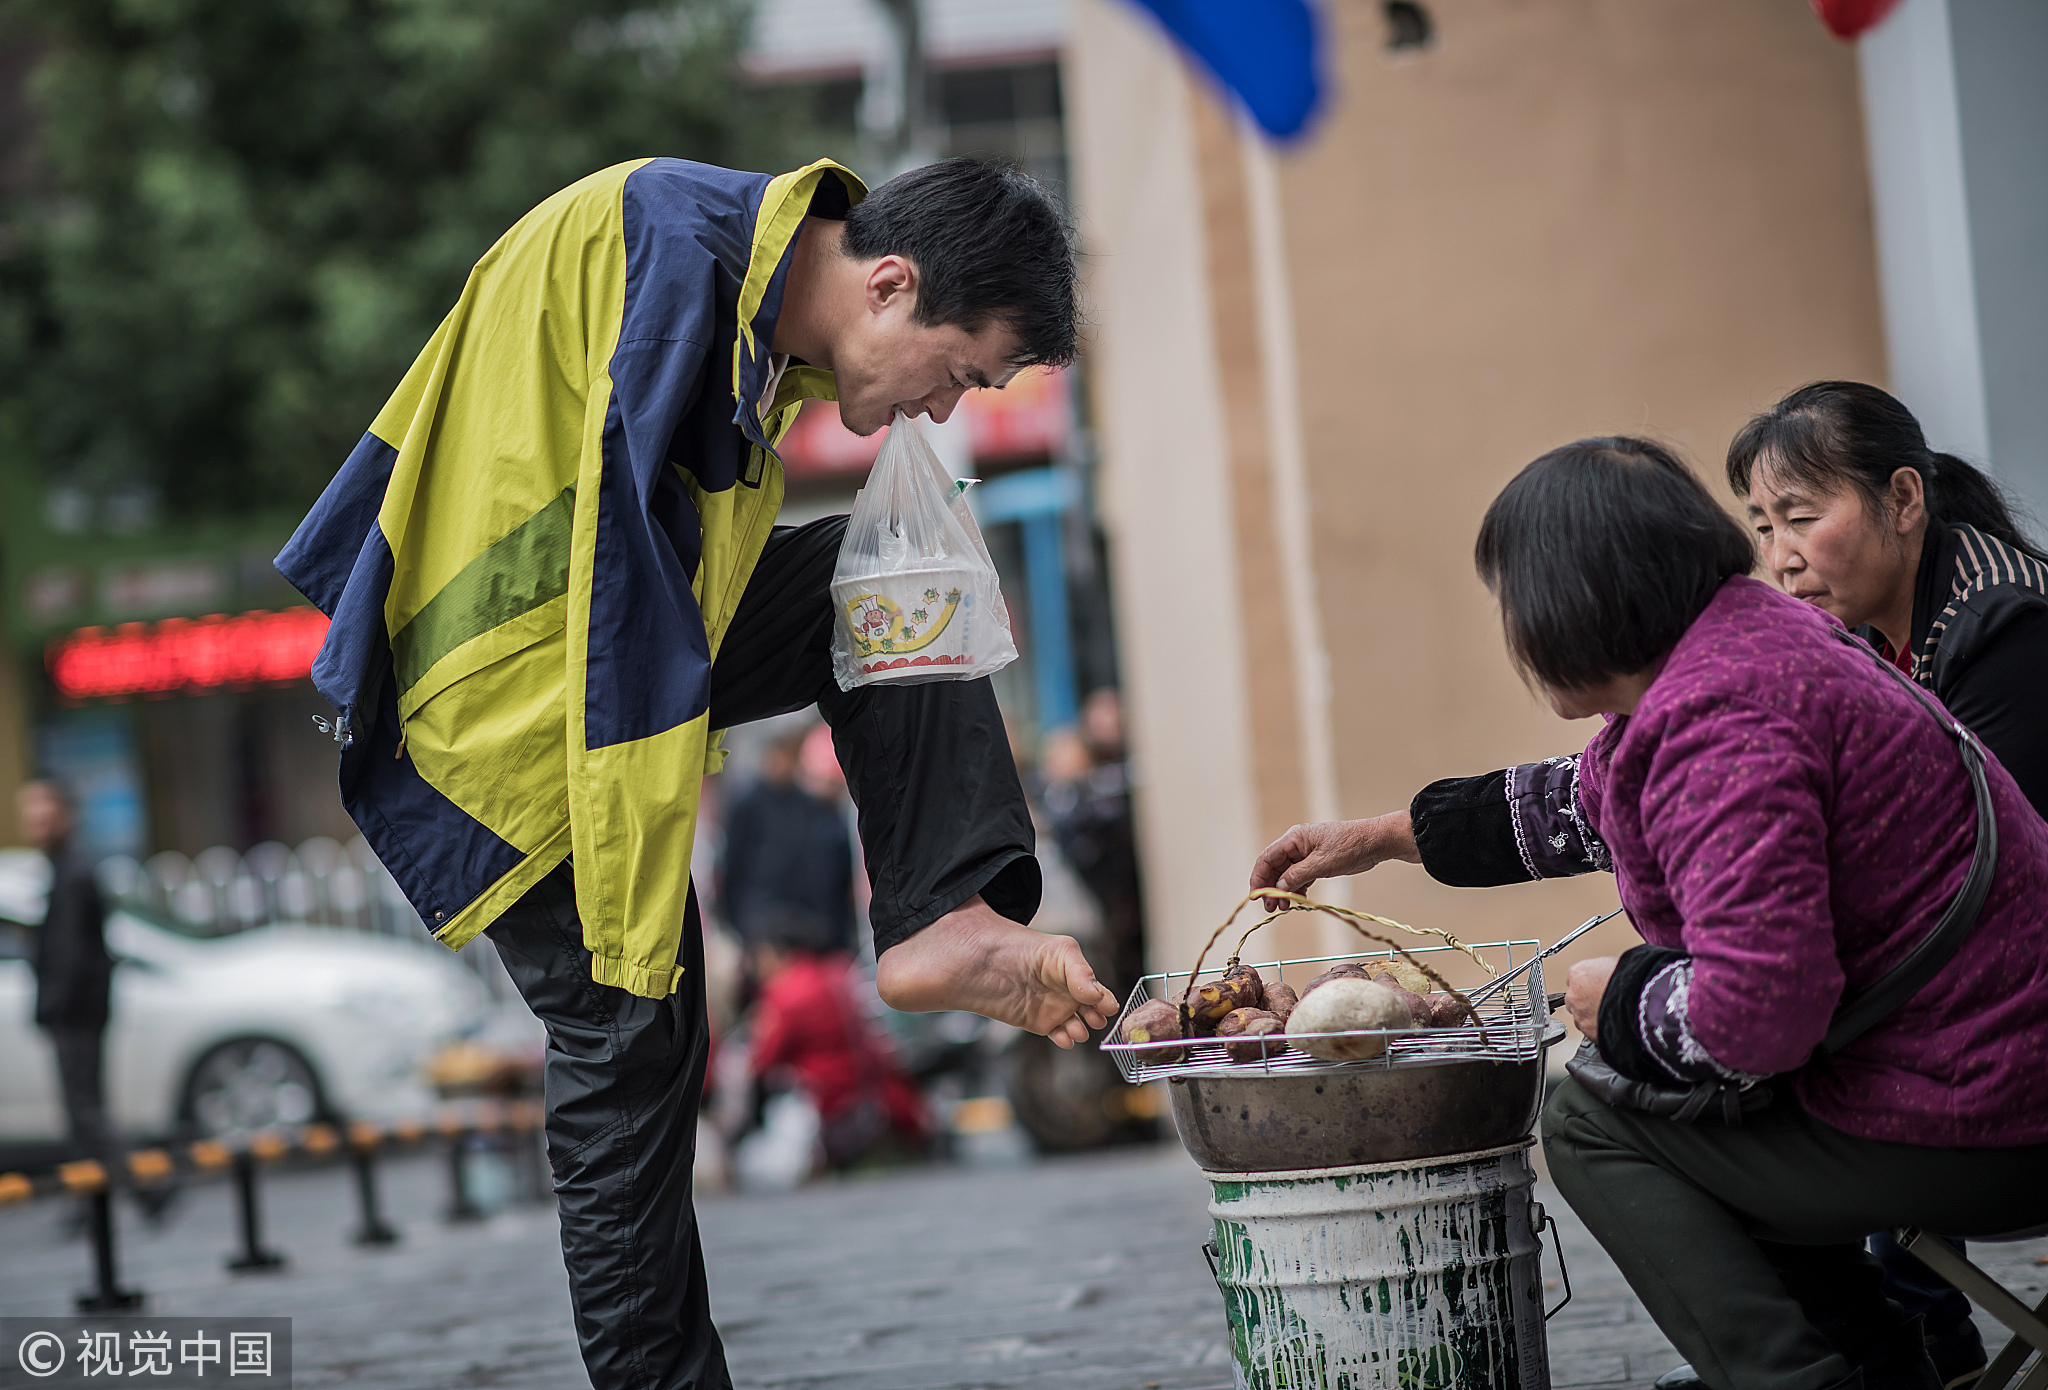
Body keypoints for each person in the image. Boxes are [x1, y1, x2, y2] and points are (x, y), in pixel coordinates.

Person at [276, 155, 1117, 1390]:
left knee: (886, 578)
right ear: (890, 283)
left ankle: (942, 916)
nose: (944, 410)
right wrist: (642, 914)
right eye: (959, 372)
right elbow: (617, 606)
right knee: (631, 1036)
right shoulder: (674, 255)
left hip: (589, 663)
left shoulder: (750, 307)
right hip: (514, 715)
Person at [1249, 438, 2048, 1390]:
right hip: (1977, 1064)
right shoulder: (1736, 648)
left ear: (1571, 600)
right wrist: (1379, 838)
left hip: (1990, 1106)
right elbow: (1572, 805)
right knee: (1679, 1107)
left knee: (1595, 1116)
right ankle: (1879, 1367)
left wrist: (1620, 998)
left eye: (1512, 603)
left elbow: (1760, 1018)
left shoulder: (1726, 719)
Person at [1701, 383, 2048, 1390]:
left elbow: (1978, 892)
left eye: (1802, 517)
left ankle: (1898, 1352)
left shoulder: (2005, 632)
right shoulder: (1861, 636)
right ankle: (1911, 1348)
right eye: (1762, 526)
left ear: (1902, 499)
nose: (1779, 555)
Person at [746, 906, 928, 1168]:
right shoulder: (839, 971)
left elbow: (762, 1061)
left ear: (772, 952)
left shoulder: (785, 993)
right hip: (876, 1090)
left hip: (827, 1098)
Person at [20, 781, 114, 1173]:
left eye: (43, 809)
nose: (33, 818)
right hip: (77, 1012)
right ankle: (86, 1201)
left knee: (85, 1110)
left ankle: (149, 1188)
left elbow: (71, 955)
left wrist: (52, 1007)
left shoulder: (73, 872)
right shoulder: (62, 869)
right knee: (80, 1111)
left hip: (76, 1014)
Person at [718, 727, 857, 954]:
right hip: (758, 927)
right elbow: (733, 868)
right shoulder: (748, 803)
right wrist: (741, 928)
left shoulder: (808, 808)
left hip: (804, 931)